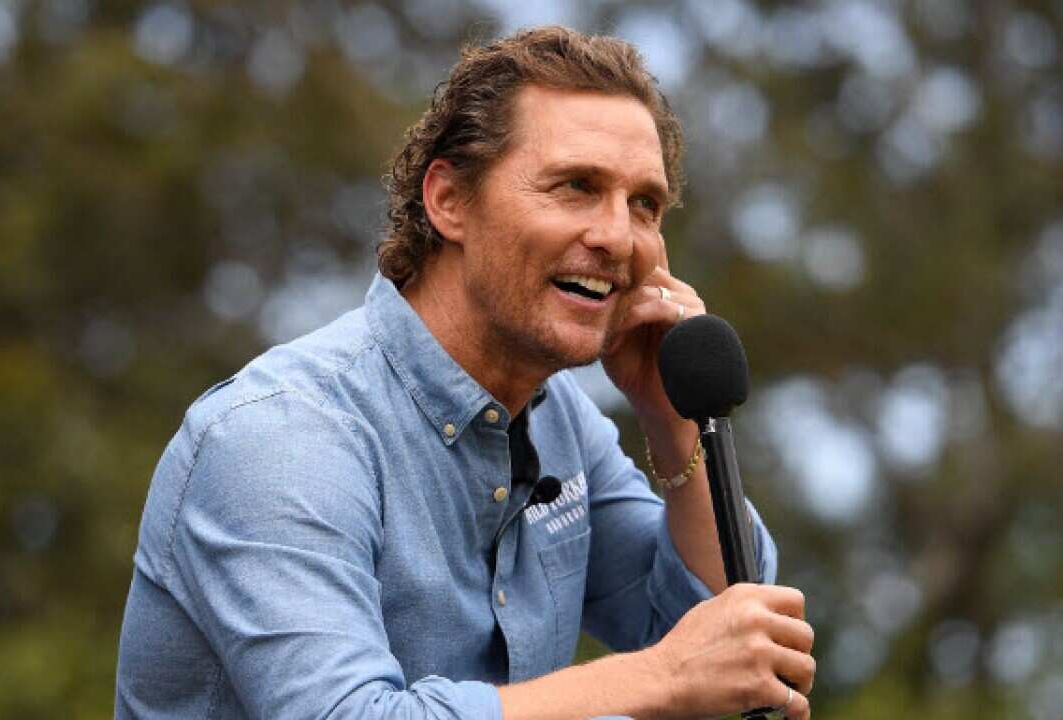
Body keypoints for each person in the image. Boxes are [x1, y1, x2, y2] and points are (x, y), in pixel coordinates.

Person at [116, 26, 815, 719]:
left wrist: (670, 419)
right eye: (576, 186)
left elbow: (714, 624)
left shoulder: (560, 417)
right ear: (448, 200)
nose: (616, 237)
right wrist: (660, 677)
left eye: (644, 205)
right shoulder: (279, 438)